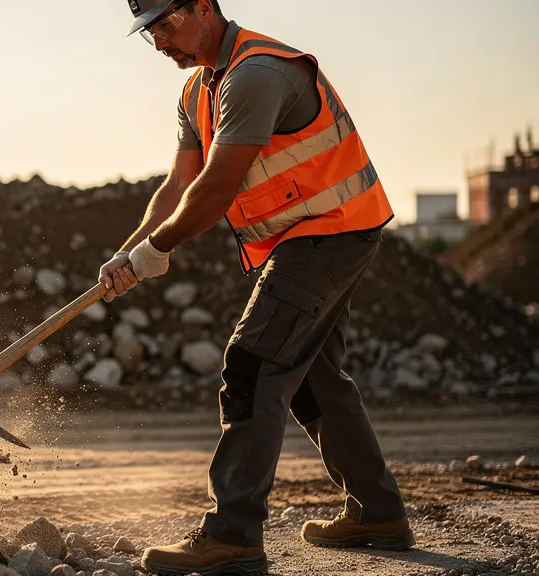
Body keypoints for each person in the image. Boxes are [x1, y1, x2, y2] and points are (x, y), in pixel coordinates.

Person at [98, 1, 415, 574]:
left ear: (203, 7)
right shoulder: (198, 92)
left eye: (165, 27)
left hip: (333, 230)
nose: (160, 45)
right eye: (148, 35)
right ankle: (378, 512)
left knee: (254, 365)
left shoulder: (257, 74)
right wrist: (130, 247)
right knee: (312, 378)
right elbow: (179, 184)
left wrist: (156, 252)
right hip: (305, 238)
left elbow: (216, 189)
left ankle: (233, 536)